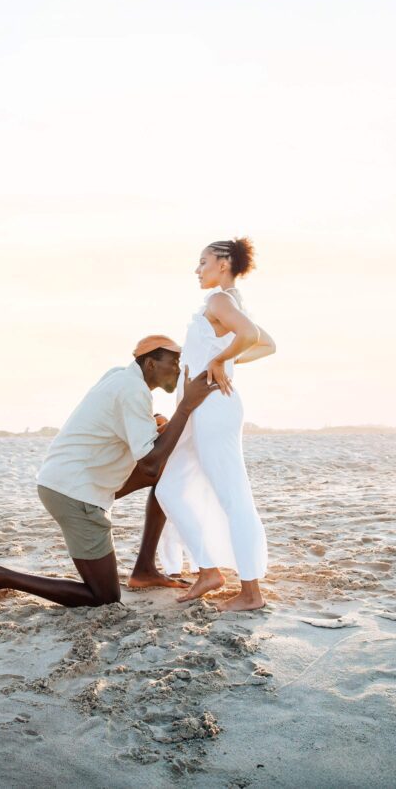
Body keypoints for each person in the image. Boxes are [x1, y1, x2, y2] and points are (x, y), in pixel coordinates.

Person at [0, 336, 218, 608]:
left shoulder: (119, 377)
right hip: (74, 493)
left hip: (65, 479)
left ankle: (144, 570)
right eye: (174, 362)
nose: (179, 370)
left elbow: (118, 424)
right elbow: (150, 464)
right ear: (150, 363)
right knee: (104, 596)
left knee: (165, 473)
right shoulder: (133, 390)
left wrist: (153, 422)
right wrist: (186, 406)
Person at [155, 238, 277, 611]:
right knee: (170, 488)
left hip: (213, 409)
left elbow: (256, 338)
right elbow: (265, 343)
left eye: (203, 261)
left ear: (223, 263)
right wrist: (221, 360)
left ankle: (251, 592)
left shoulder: (220, 300)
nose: (198, 269)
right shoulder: (229, 303)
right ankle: (208, 571)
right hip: (199, 408)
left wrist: (221, 361)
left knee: (232, 496)